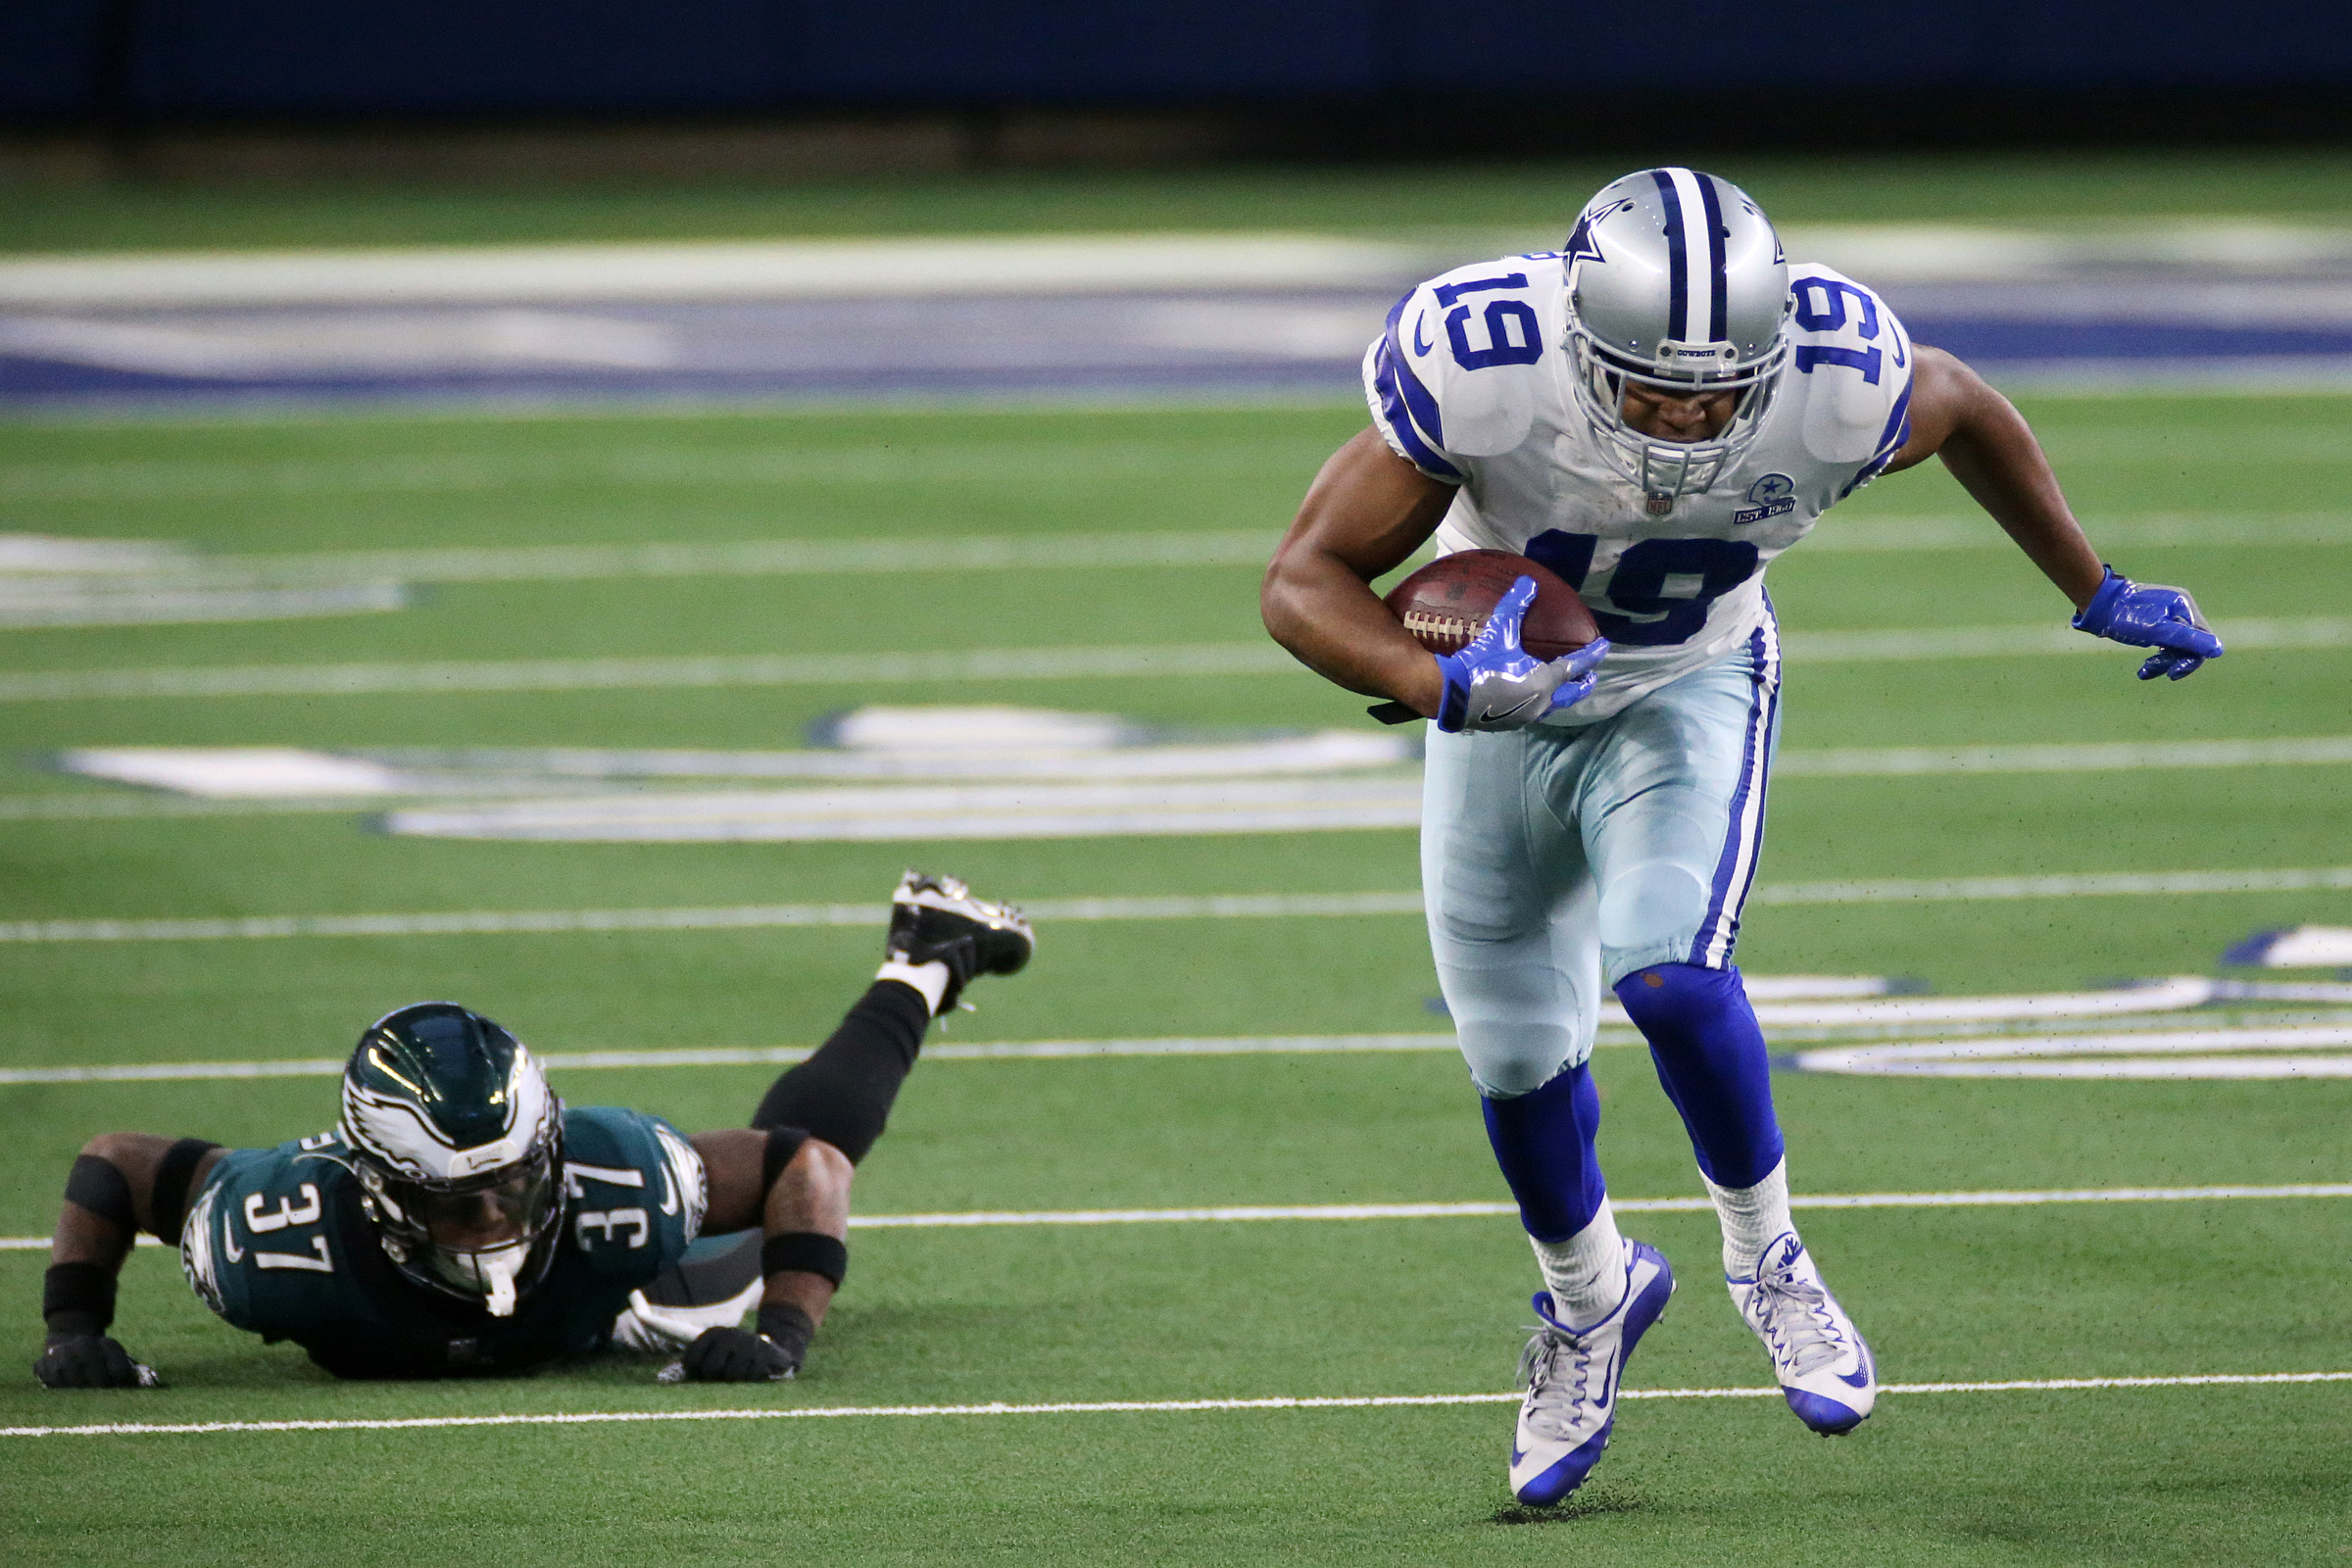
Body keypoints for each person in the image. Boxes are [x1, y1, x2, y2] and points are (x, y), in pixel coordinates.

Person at [1260, 168, 2221, 1505]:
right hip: (1504, 711)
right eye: (1652, 386)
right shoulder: (1485, 363)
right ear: (1581, 342)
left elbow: (1962, 409)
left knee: (1669, 973)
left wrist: (2095, 584)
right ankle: (1591, 1295)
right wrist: (1448, 686)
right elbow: (1301, 579)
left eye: (1716, 389)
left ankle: (1767, 1256)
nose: (1688, 416)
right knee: (1517, 1058)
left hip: (1691, 689)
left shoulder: (1839, 374)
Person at [31, 872, 1033, 1387]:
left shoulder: (618, 1179)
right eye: (459, 1199)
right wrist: (76, 1332)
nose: (499, 1212)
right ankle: (931, 948)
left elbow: (803, 1164)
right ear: (379, 1189)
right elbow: (114, 1164)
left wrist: (781, 1336)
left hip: (624, 1300)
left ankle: (926, 959)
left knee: (777, 1191)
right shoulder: (269, 1232)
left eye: (516, 1179)